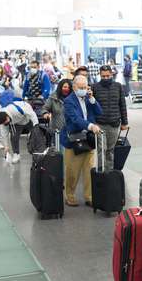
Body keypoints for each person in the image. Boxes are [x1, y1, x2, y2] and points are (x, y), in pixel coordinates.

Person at [61, 75, 102, 207]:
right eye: (81, 87)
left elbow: (99, 112)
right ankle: (70, 196)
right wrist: (90, 126)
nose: (83, 90)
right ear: (74, 87)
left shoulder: (88, 99)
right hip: (74, 140)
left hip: (88, 139)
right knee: (72, 171)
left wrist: (92, 99)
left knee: (89, 170)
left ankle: (89, 196)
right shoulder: (69, 101)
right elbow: (75, 119)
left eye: (85, 87)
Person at [92, 65, 129, 171]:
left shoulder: (118, 86)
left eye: (108, 76)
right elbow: (91, 106)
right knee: (101, 149)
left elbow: (122, 104)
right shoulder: (95, 87)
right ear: (100, 75)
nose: (106, 78)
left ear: (111, 74)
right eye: (103, 76)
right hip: (100, 124)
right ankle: (100, 172)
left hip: (114, 124)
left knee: (110, 149)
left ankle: (109, 172)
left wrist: (124, 122)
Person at [0, 99, 39, 164]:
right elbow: (4, 134)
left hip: (27, 117)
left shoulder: (15, 110)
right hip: (16, 123)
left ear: (7, 116)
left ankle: (39, 151)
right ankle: (16, 154)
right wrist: (6, 146)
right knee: (14, 137)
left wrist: (36, 125)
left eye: (5, 122)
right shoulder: (3, 121)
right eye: (4, 123)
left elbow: (32, 114)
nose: (5, 124)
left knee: (36, 134)